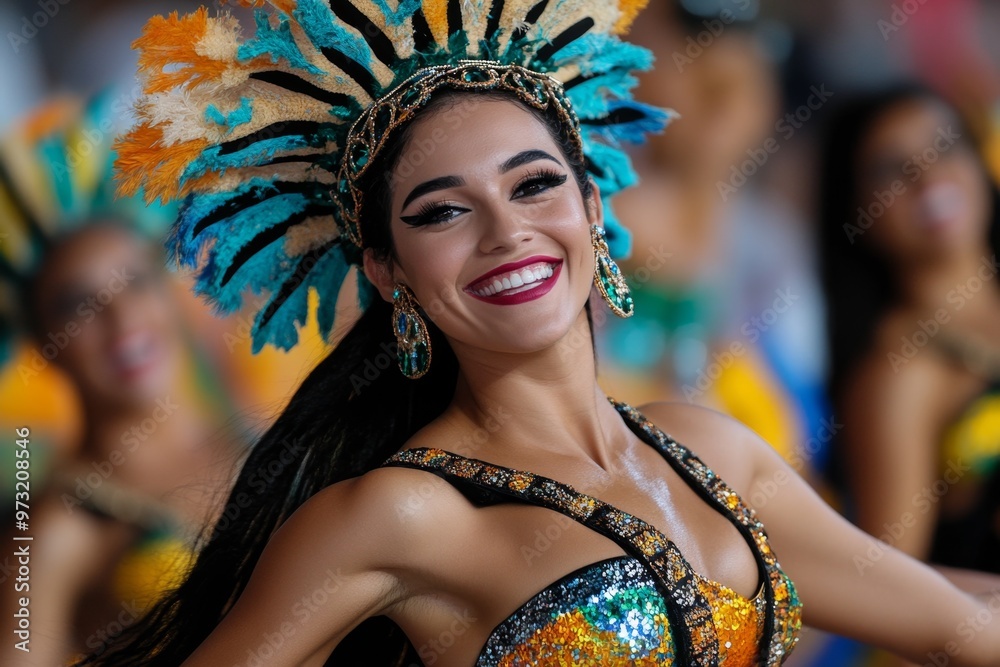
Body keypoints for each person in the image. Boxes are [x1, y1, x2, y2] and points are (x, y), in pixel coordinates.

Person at [82, 3, 1000, 666]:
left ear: (593, 207)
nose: (506, 231)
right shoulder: (401, 514)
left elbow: (958, 623)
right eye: (442, 212)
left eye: (533, 185)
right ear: (388, 272)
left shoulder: (709, 449)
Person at [0, 94, 246, 665]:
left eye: (134, 281)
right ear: (44, 347)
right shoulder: (54, 529)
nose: (122, 319)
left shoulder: (256, 428)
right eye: (78, 305)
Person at [821, 83, 1000, 575]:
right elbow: (896, 592)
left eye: (945, 146)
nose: (927, 176)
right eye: (890, 168)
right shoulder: (899, 376)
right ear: (856, 213)